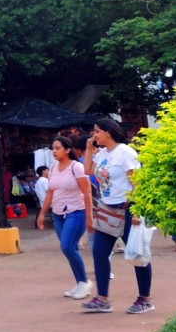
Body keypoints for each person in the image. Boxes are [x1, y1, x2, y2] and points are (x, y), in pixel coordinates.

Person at [82, 117, 151, 314]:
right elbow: (88, 170)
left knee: (137, 254)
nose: (94, 135)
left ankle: (145, 299)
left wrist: (138, 210)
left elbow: (137, 182)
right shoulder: (103, 153)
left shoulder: (125, 152)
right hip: (108, 210)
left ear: (108, 132)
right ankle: (102, 299)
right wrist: (88, 148)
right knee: (99, 253)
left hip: (128, 208)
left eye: (97, 131)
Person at [37, 136, 93, 299]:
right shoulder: (53, 169)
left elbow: (87, 192)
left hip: (76, 212)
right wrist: (42, 214)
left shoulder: (77, 167)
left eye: (58, 148)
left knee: (67, 247)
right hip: (58, 214)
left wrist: (89, 216)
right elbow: (50, 192)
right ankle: (80, 283)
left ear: (68, 150)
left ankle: (84, 282)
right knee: (70, 249)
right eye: (53, 148)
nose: (54, 151)